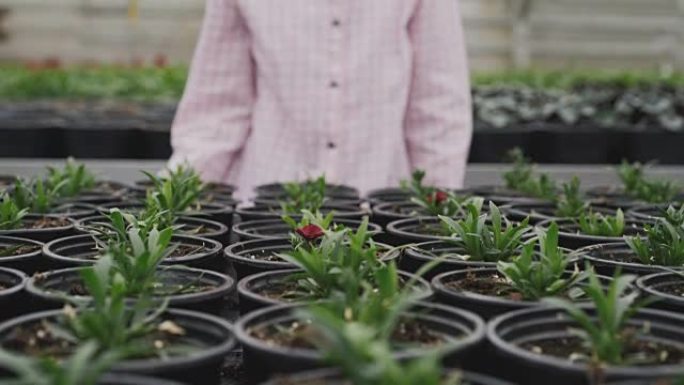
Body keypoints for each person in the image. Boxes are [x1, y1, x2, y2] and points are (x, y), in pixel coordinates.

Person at [169, 0, 472, 200]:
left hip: (381, 208)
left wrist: (435, 220)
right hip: (266, 219)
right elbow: (216, 112)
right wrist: (168, 207)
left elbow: (437, 107)